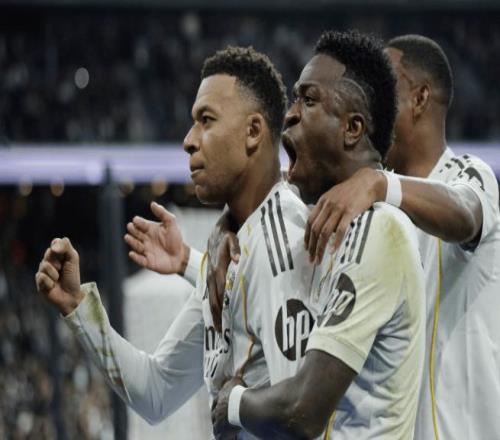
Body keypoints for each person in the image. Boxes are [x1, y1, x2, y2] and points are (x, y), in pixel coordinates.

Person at [35, 46, 320, 439]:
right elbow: (156, 393)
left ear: (253, 131)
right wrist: (77, 307)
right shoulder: (228, 258)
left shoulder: (284, 244)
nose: (188, 140)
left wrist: (235, 407)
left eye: (206, 120)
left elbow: (304, 419)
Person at [211, 30, 425, 439]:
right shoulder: (325, 222)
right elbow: (263, 200)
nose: (290, 115)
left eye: (308, 101)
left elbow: (303, 412)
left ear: (352, 128)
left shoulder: (379, 230)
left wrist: (231, 403)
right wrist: (226, 226)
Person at [301, 34, 500, 440]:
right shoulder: (368, 204)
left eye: (387, 89)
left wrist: (379, 183)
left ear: (420, 98)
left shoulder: (467, 174)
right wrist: (217, 240)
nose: (376, 103)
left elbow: (465, 214)